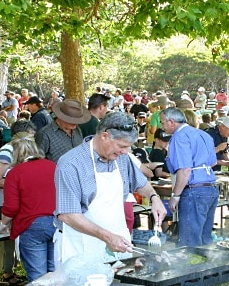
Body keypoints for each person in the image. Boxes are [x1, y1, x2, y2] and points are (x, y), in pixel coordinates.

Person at [55, 111, 166, 263]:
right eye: (122, 146)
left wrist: (154, 198)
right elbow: (67, 214)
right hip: (82, 246)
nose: (126, 152)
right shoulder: (71, 163)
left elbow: (140, 183)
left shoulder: (121, 158)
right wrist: (107, 237)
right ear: (105, 136)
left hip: (118, 242)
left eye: (128, 147)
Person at [0, 134, 56, 286]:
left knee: (37, 278)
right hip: (58, 222)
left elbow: (11, 207)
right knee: (55, 273)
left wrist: (3, 223)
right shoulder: (52, 166)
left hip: (31, 224)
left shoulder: (15, 173)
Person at [160, 107, 219, 247]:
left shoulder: (179, 137)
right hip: (211, 189)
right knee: (205, 239)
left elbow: (185, 170)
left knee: (189, 242)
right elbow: (213, 162)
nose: (161, 126)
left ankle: (192, 268)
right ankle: (211, 266)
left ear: (172, 122)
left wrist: (175, 195)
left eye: (162, 122)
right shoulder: (203, 134)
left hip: (194, 191)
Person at [0, 120, 37, 284]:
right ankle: (7, 272)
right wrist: (17, 185)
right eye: (32, 134)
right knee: (6, 238)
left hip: (21, 198)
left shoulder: (30, 150)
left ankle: (19, 269)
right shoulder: (7, 150)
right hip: (3, 198)